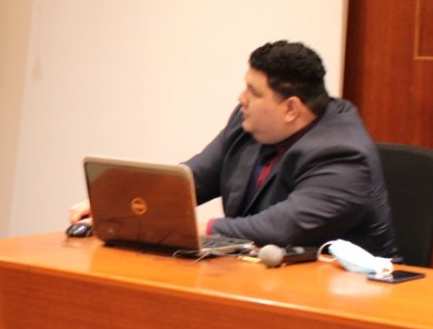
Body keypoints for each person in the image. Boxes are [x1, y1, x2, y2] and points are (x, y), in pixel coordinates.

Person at [70, 40, 397, 258]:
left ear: (291, 109)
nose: (242, 99)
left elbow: (279, 228)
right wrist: (117, 202)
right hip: (261, 278)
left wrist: (195, 229)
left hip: (346, 298)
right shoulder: (250, 125)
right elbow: (195, 176)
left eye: (253, 92)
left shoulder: (343, 155)